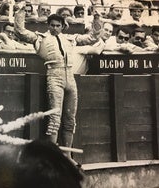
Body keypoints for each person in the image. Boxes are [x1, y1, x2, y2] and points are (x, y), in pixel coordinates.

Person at [14, 9, 104, 165]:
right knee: (55, 119)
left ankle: (68, 156)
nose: (54, 28)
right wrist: (21, 10)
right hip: (54, 76)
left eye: (57, 25)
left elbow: (93, 37)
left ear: (63, 26)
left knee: (70, 119)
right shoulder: (40, 38)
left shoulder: (70, 39)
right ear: (48, 25)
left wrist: (96, 18)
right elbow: (20, 32)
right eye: (52, 25)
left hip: (70, 77)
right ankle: (53, 156)